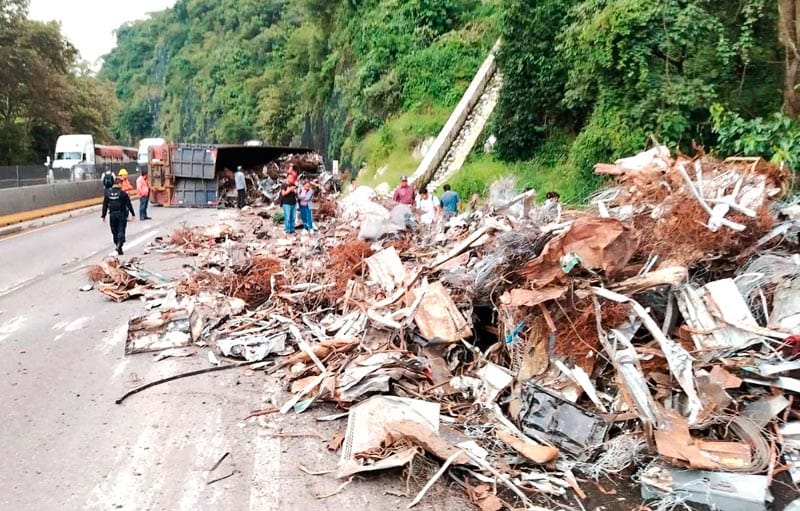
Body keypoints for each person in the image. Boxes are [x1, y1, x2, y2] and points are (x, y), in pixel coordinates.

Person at [101, 176, 135, 255]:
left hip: (112, 214)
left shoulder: (108, 194)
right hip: (121, 214)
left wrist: (103, 215)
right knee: (121, 229)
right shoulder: (123, 194)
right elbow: (129, 204)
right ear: (120, 184)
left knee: (114, 231)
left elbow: (105, 204)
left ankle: (117, 244)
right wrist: (133, 214)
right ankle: (120, 243)